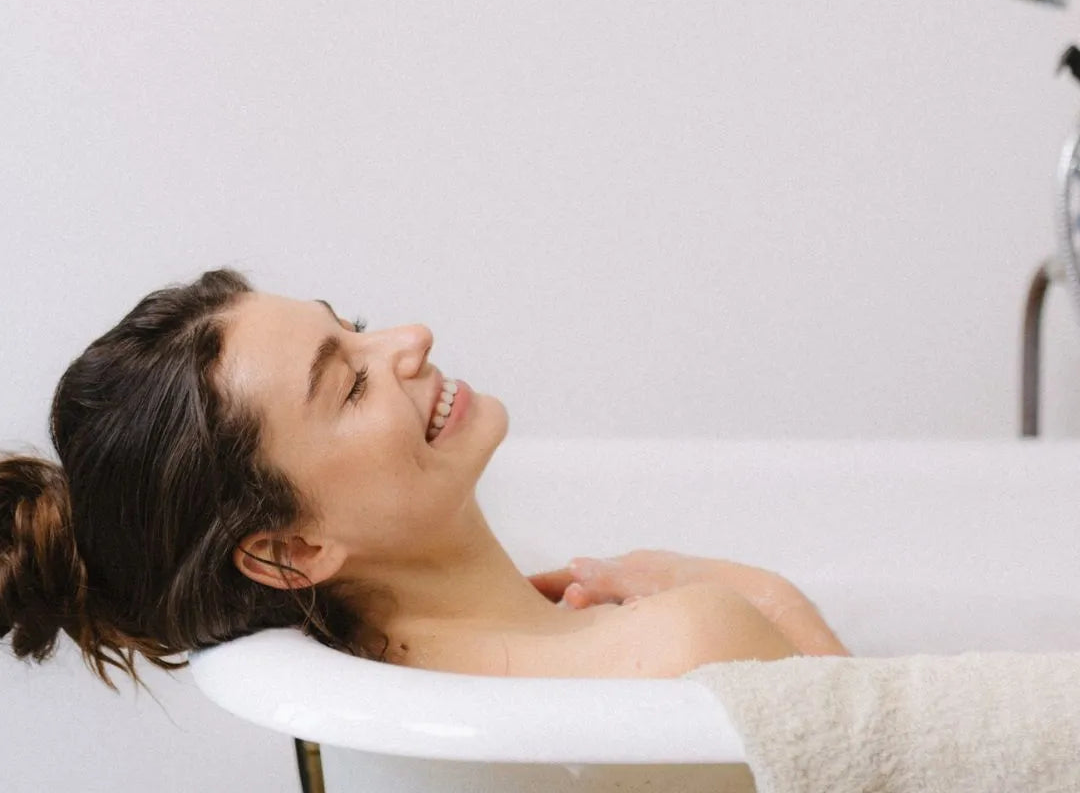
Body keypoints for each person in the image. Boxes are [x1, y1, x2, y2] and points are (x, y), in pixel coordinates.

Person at [0, 268, 849, 689]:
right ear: (292, 549)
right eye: (352, 382)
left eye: (356, 329)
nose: (411, 336)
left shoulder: (385, 678)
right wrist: (770, 603)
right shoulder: (684, 642)